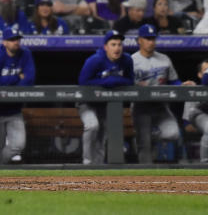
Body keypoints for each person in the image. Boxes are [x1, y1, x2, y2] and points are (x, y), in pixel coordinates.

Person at [132, 25, 194, 164]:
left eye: (153, 38)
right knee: (145, 148)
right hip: (141, 107)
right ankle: (145, 178)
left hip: (161, 106)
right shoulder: (131, 61)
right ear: (139, 40)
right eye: (147, 39)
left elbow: (173, 81)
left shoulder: (164, 59)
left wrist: (181, 85)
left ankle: (148, 137)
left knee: (173, 134)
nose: (151, 42)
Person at [78, 30, 135, 165]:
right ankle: (87, 162)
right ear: (106, 47)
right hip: (88, 102)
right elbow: (83, 82)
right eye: (113, 44)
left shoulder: (126, 60)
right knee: (92, 126)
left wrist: (114, 81)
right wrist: (106, 82)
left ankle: (98, 167)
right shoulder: (95, 60)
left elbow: (130, 81)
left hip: (106, 104)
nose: (117, 48)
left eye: (119, 45)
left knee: (101, 136)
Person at [0, 27, 36, 164]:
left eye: (17, 39)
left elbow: (29, 79)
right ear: (4, 42)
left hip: (15, 110)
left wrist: (10, 84)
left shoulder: (25, 54)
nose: (16, 42)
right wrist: (16, 77)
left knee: (18, 145)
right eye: (12, 40)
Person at [182, 59, 208, 163]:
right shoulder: (194, 90)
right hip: (199, 114)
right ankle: (205, 165)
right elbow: (188, 127)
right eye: (205, 70)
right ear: (200, 74)